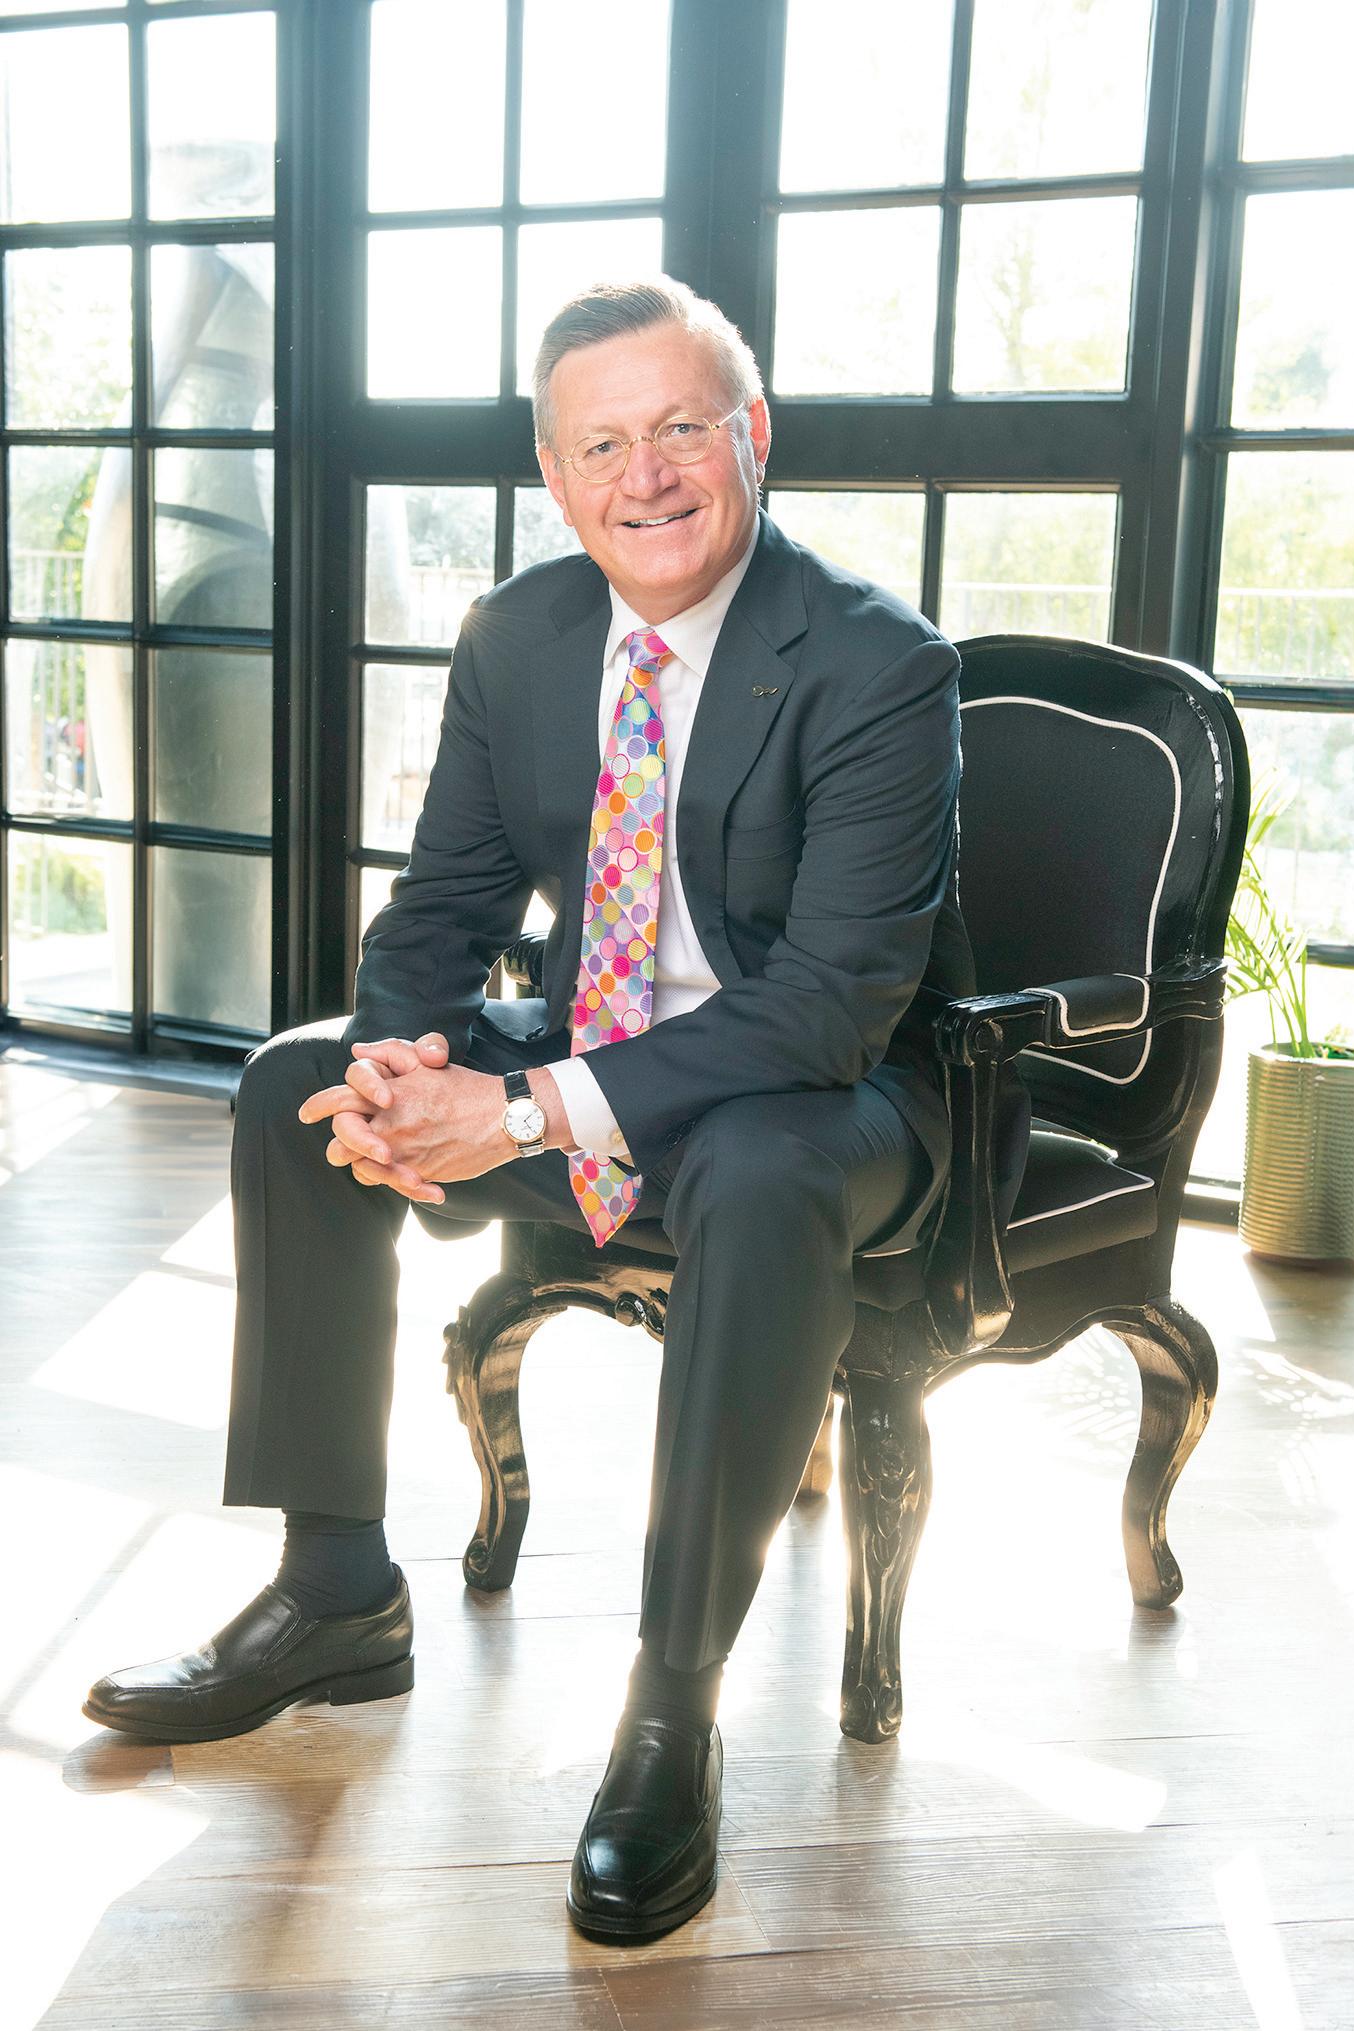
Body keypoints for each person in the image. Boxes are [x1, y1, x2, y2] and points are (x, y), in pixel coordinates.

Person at [83, 277, 979, 1944]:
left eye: (682, 429)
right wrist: (397, 1074)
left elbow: (826, 1011)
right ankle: (336, 1590)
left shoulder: (876, 660)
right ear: (556, 477)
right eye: (603, 445)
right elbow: (444, 909)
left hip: (837, 1098)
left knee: (760, 1168)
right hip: (602, 1046)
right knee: (293, 1088)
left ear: (752, 437)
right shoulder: (523, 636)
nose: (648, 475)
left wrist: (521, 1114)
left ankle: (673, 1705)